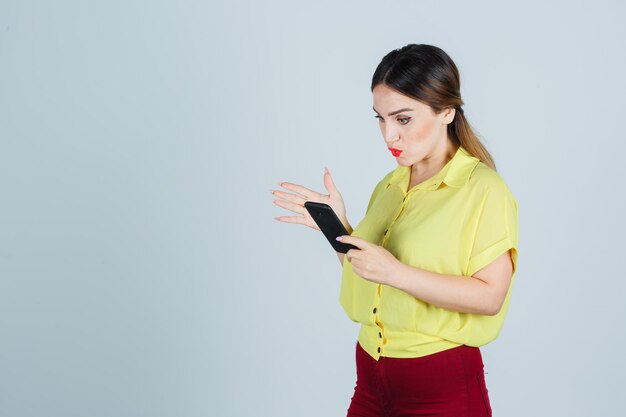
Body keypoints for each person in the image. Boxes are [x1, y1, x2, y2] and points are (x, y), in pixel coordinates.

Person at [271, 43, 518, 417]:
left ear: (446, 111)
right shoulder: (390, 185)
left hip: (440, 388)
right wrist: (339, 230)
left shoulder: (483, 190)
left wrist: (398, 273)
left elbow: (490, 297)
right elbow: (372, 277)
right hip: (371, 378)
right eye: (380, 119)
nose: (388, 135)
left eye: (403, 119)